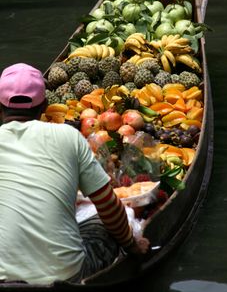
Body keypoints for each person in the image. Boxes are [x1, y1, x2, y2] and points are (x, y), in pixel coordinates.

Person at [0, 63, 150, 285]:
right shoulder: (68, 136)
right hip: (66, 275)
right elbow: (108, 206)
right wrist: (132, 246)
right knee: (106, 224)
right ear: (45, 106)